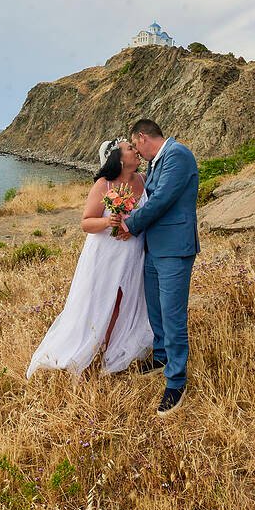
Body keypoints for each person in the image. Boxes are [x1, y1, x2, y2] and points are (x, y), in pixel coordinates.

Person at [26, 139, 153, 379]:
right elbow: (86, 222)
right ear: (117, 158)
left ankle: (115, 349)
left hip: (134, 253)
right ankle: (95, 347)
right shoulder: (103, 185)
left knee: (128, 299)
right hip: (106, 254)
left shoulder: (144, 180)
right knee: (103, 299)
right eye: (129, 148)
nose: (135, 151)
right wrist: (108, 221)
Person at [111, 119, 199, 417]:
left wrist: (129, 224)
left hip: (174, 248)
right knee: (156, 310)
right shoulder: (156, 163)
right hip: (154, 249)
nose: (137, 152)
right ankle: (161, 357)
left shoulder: (178, 155)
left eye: (136, 147)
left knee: (173, 315)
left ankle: (176, 382)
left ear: (143, 137)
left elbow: (161, 200)